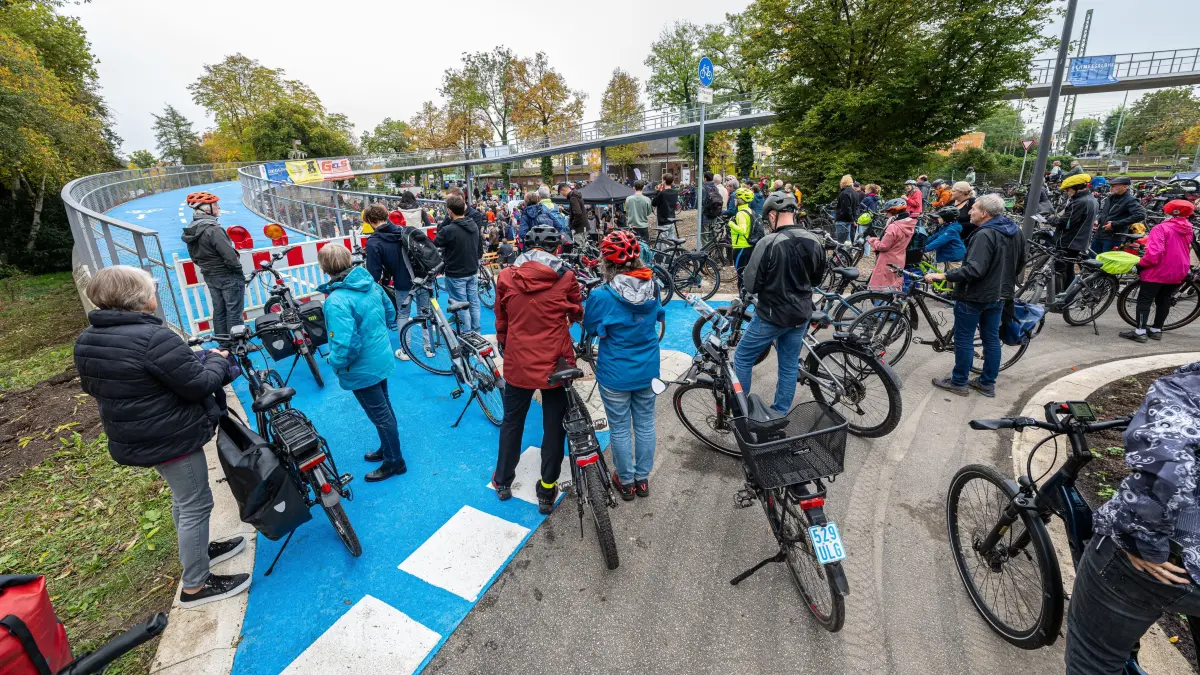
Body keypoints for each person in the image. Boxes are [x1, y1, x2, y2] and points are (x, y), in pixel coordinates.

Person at [74, 265, 249, 607]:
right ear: (139, 299)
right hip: (168, 436)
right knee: (196, 503)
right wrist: (216, 360)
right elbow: (198, 383)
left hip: (139, 433)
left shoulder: (89, 339)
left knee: (183, 499)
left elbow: (102, 384)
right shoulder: (153, 337)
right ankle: (196, 585)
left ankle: (199, 550)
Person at [1067, 362, 1200, 675]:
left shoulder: (1185, 390)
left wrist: (1140, 541)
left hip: (1172, 559)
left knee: (1094, 659)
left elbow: (1163, 469)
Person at [492, 226, 583, 514]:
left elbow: (501, 319)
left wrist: (507, 344)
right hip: (555, 361)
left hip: (519, 359)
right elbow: (576, 311)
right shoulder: (566, 276)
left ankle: (504, 480)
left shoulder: (506, 276)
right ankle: (546, 488)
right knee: (554, 427)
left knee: (512, 421)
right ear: (556, 249)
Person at [582, 231, 664, 500]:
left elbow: (591, 327)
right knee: (645, 424)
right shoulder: (654, 287)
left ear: (606, 263)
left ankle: (626, 481)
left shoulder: (602, 295)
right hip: (648, 367)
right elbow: (658, 315)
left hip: (615, 370)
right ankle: (642, 479)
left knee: (619, 427)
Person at [316, 244, 405, 482]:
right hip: (379, 356)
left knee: (379, 414)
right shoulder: (370, 284)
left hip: (361, 367)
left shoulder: (336, 300)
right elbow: (390, 313)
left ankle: (394, 461)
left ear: (324, 267)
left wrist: (334, 362)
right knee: (384, 408)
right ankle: (389, 450)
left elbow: (345, 345)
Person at [733, 191, 826, 415]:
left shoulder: (769, 242)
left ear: (772, 215)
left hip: (772, 315)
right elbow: (816, 280)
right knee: (788, 364)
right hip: (801, 313)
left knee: (742, 357)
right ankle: (780, 412)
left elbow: (752, 284)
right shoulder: (815, 240)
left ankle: (741, 414)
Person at [924, 194, 1025, 398]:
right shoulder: (1015, 231)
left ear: (985, 213)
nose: (969, 211)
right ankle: (987, 383)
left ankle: (959, 381)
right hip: (1000, 294)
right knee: (991, 339)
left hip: (975, 295)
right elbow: (1021, 262)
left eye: (974, 208)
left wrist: (942, 275)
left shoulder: (984, 234)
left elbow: (974, 270)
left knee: (964, 339)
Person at [1118, 199, 1195, 343]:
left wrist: (1141, 264)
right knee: (1164, 300)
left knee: (1145, 300)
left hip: (1158, 270)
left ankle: (1140, 332)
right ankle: (1156, 330)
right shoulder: (1189, 229)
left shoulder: (1161, 228)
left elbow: (1155, 253)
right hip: (1179, 270)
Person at [181, 192, 246, 344]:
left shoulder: (192, 229)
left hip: (210, 275)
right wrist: (238, 272)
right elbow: (229, 256)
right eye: (215, 205)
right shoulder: (214, 229)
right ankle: (238, 345)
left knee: (219, 311)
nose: (218, 207)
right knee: (234, 311)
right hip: (227, 275)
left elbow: (194, 257)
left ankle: (224, 344)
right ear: (206, 209)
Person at [439, 194, 484, 333]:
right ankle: (476, 331)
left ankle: (467, 334)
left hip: (456, 272)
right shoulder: (473, 225)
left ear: (450, 211)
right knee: (474, 302)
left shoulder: (449, 229)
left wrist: (447, 219)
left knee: (460, 304)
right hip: (471, 269)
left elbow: (437, 241)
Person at [1047, 173, 1098, 291]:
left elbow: (1067, 222)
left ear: (1077, 187)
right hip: (1079, 240)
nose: (1067, 192)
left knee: (1061, 269)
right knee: (1068, 268)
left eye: (1068, 189)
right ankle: (1066, 295)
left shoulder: (1079, 202)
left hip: (1069, 241)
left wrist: (1052, 220)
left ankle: (1059, 296)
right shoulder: (1091, 199)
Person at [865, 198, 916, 290]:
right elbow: (896, 241)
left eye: (887, 211)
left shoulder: (893, 227)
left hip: (887, 261)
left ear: (893, 211)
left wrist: (872, 240)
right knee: (894, 287)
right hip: (899, 258)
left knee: (881, 289)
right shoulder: (909, 224)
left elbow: (883, 246)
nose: (886, 214)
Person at [1092, 176, 1145, 255]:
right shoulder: (1110, 197)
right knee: (1092, 259)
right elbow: (1103, 213)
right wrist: (1098, 220)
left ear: (1125, 187)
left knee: (1106, 263)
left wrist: (1114, 224)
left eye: (1114, 186)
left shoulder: (1130, 200)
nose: (1111, 188)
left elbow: (1141, 215)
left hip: (1114, 237)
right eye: (1111, 186)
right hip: (1100, 234)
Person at [729, 186, 756, 292]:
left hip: (741, 247)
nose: (734, 200)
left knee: (740, 275)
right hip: (749, 246)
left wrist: (731, 224)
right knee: (745, 274)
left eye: (735, 198)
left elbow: (742, 230)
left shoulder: (740, 214)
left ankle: (742, 298)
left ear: (740, 201)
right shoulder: (749, 211)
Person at [924, 206, 966, 271]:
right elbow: (935, 237)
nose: (938, 219)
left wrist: (924, 249)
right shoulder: (944, 227)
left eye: (940, 218)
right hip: (946, 256)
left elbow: (939, 241)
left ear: (947, 219)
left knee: (953, 279)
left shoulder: (952, 230)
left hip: (954, 258)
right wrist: (923, 243)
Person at [559, 182, 588, 247]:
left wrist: (573, 224)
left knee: (579, 249)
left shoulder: (573, 197)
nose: (563, 195)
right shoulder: (576, 195)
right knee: (584, 248)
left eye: (561, 193)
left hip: (578, 228)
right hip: (584, 226)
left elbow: (578, 213)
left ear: (563, 190)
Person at [651, 173, 679, 237]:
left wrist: (658, 191)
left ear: (664, 181)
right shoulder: (675, 192)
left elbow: (653, 203)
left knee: (663, 244)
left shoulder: (662, 193)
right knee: (671, 243)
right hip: (672, 220)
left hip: (663, 222)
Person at [834, 174, 860, 243]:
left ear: (843, 182)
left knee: (841, 243)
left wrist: (852, 219)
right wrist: (854, 219)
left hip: (843, 221)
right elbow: (857, 207)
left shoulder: (844, 193)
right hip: (850, 221)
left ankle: (841, 253)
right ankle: (847, 253)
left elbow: (846, 209)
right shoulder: (855, 193)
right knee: (848, 242)